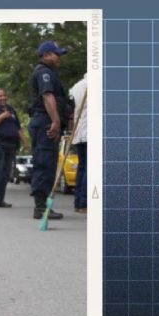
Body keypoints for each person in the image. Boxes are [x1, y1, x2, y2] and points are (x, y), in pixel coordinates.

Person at [28, 41, 73, 220]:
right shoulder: (44, 73)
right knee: (44, 164)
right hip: (45, 122)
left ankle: (44, 206)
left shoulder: (49, 73)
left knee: (48, 165)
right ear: (46, 54)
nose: (59, 58)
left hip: (47, 121)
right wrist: (55, 120)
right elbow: (47, 96)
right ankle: (40, 208)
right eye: (57, 54)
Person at [69, 74, 88, 213]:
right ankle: (85, 202)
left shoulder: (75, 87)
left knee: (82, 167)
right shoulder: (97, 85)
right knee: (89, 168)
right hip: (90, 132)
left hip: (79, 133)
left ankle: (78, 202)